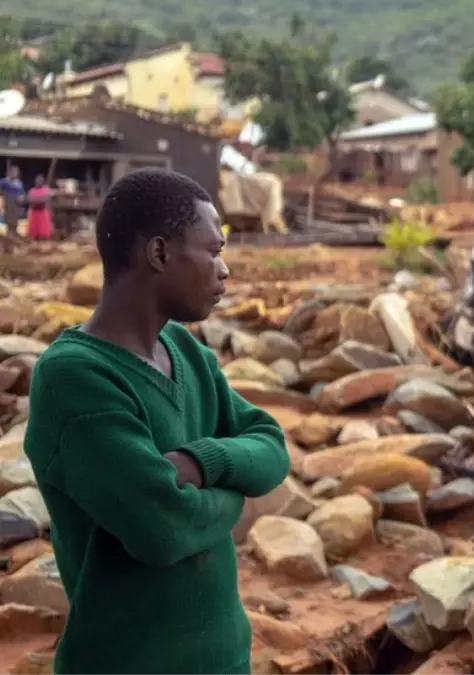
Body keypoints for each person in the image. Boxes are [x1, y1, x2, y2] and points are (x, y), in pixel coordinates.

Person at [24, 168, 290, 675]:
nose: (225, 270)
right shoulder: (75, 377)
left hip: (226, 656)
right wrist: (239, 493)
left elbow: (273, 446)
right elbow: (162, 529)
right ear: (160, 254)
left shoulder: (186, 351)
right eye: (213, 251)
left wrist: (200, 461)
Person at [25, 175, 53, 240]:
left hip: (43, 212)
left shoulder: (46, 189)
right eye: (37, 181)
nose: (39, 182)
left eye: (40, 181)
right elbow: (29, 199)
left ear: (43, 182)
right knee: (34, 233)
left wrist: (37, 200)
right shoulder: (32, 190)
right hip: (34, 213)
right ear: (35, 182)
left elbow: (47, 198)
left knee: (44, 232)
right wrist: (40, 199)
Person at [0, 166, 24, 231]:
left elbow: (21, 193)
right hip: (8, 204)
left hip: (17, 205)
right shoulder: (4, 181)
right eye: (14, 172)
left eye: (17, 172)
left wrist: (22, 197)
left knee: (14, 223)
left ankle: (13, 234)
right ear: (10, 172)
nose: (15, 173)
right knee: (8, 222)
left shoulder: (19, 183)